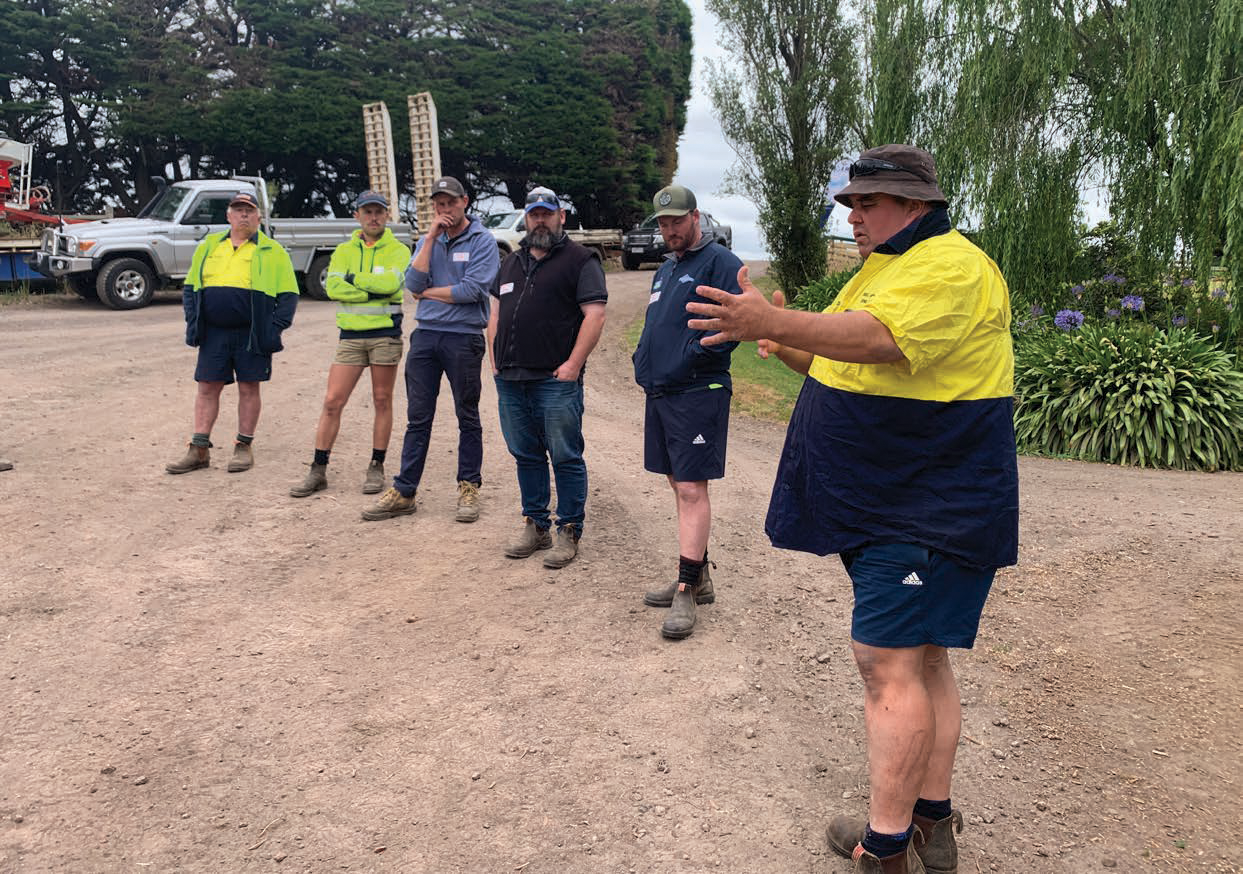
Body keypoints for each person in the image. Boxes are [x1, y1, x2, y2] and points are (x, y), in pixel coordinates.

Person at [685, 145, 1019, 874]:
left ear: (915, 204)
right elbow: (845, 358)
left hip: (926, 501)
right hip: (890, 496)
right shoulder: (884, 268)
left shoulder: (953, 266)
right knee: (921, 658)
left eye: (867, 203)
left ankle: (886, 850)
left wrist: (780, 321)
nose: (853, 215)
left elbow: (879, 338)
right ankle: (931, 825)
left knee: (886, 664)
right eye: (849, 203)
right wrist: (775, 334)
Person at [632, 184, 744, 640]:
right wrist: (644, 359)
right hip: (662, 392)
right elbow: (654, 323)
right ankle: (700, 574)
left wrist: (691, 355)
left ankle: (685, 587)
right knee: (678, 481)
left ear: (696, 217)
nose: (669, 230)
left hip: (699, 389)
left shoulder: (722, 264)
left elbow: (738, 324)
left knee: (692, 487)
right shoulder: (665, 269)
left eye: (677, 221)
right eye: (662, 223)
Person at [362, 176, 499, 523]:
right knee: (417, 418)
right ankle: (405, 491)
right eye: (439, 203)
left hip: (463, 337)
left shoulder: (483, 241)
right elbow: (411, 284)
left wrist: (430, 293)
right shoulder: (428, 239)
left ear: (464, 202)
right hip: (425, 337)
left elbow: (471, 290)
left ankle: (469, 487)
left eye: (450, 202)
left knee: (467, 414)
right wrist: (431, 239)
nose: (444, 209)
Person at [487, 187, 607, 568]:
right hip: (510, 378)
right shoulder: (510, 263)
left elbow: (595, 315)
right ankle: (535, 524)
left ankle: (569, 529)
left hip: (555, 381)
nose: (540, 220)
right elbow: (494, 313)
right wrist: (493, 360)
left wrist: (572, 365)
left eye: (547, 213)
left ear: (561, 217)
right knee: (525, 454)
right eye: (533, 214)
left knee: (565, 455)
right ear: (526, 218)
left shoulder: (580, 260)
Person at [289, 191, 412, 498]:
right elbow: (332, 287)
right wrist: (370, 289)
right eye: (367, 212)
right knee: (333, 401)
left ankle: (376, 464)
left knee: (382, 400)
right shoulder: (343, 250)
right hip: (350, 337)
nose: (373, 217)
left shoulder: (398, 250)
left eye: (379, 212)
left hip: (385, 334)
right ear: (357, 215)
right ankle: (318, 469)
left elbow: (391, 285)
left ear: (386, 216)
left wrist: (353, 280)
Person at [166, 190, 297, 475]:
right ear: (228, 215)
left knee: (249, 387)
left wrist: (273, 329)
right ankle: (199, 449)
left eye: (249, 210)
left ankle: (243, 445)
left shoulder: (273, 251)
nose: (244, 215)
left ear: (259, 216)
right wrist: (193, 322)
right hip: (214, 333)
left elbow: (289, 297)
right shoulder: (210, 245)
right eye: (238, 210)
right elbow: (191, 288)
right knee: (207, 387)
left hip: (253, 333)